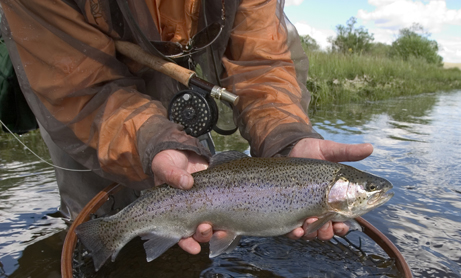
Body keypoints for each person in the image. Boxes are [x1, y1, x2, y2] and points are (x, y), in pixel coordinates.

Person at [0, 0, 373, 256]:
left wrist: (287, 137)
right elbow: (79, 90)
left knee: (186, 189)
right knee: (94, 215)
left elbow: (263, 65)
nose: (371, 194)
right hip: (77, 96)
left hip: (185, 77)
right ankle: (96, 241)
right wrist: (150, 143)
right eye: (368, 191)